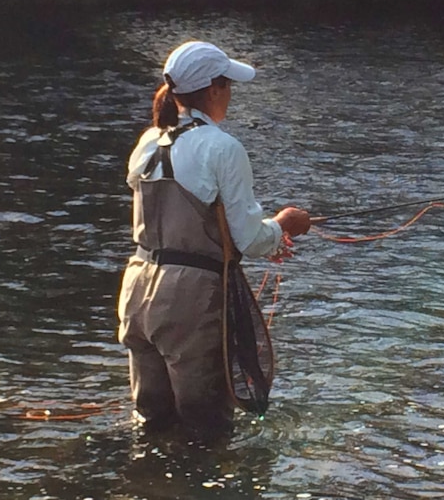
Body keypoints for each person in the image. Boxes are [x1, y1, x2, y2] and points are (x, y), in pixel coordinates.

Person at [116, 40, 311, 442]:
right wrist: (284, 225)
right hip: (189, 300)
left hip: (137, 288)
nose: (230, 95)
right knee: (207, 430)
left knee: (153, 421)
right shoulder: (222, 147)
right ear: (215, 90)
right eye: (228, 86)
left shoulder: (149, 142)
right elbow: (250, 238)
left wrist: (261, 236)